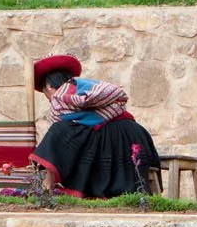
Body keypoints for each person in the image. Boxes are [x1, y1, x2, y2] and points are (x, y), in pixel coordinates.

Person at [28, 54, 161, 199]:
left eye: (45, 91)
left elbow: (58, 142)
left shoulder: (64, 116)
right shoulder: (89, 102)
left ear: (50, 87)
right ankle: (47, 188)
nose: (48, 98)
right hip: (137, 137)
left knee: (57, 133)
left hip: (121, 140)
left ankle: (46, 188)